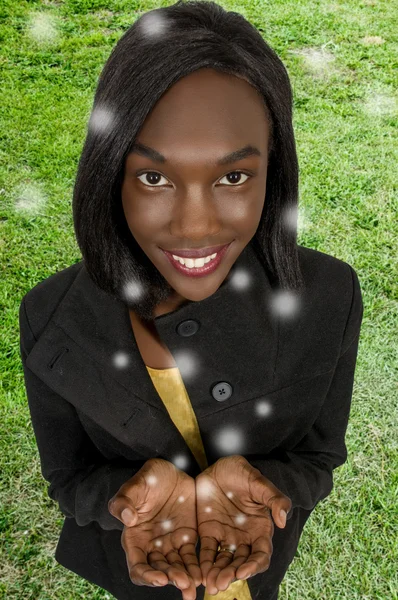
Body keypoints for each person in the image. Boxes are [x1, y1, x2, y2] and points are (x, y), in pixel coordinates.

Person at [18, 1, 364, 599]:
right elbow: (68, 477)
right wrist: (123, 501)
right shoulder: (52, 318)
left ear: (273, 170)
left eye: (234, 177)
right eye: (154, 177)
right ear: (111, 172)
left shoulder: (330, 297)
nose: (196, 227)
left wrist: (263, 483)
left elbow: (318, 456)